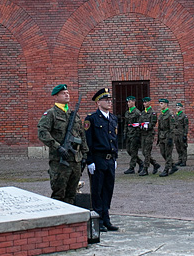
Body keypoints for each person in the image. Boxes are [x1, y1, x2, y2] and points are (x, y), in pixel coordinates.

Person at [37, 84, 86, 203]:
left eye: (68, 93)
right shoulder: (51, 114)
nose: (67, 95)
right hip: (59, 161)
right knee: (59, 195)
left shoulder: (74, 115)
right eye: (63, 93)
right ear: (56, 96)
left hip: (75, 161)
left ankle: (72, 221)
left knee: (72, 195)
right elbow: (42, 132)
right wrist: (58, 147)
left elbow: (81, 135)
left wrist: (84, 154)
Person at [84, 88, 119, 231]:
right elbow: (88, 141)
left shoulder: (113, 118)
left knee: (108, 189)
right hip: (97, 159)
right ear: (98, 102)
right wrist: (89, 160)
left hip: (109, 159)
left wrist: (115, 157)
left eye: (110, 100)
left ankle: (106, 218)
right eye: (106, 100)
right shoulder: (91, 119)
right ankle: (97, 220)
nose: (109, 102)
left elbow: (114, 140)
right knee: (97, 190)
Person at [139, 97, 160, 175]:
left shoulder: (152, 113)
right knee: (144, 152)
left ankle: (145, 169)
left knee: (147, 152)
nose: (145, 104)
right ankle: (155, 164)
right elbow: (140, 121)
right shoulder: (142, 113)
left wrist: (147, 126)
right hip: (143, 134)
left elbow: (153, 123)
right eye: (144, 102)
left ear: (149, 103)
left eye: (146, 102)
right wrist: (140, 125)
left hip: (149, 134)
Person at [157, 98, 178, 177]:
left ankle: (166, 170)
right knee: (163, 153)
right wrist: (159, 138)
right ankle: (173, 166)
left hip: (168, 136)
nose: (160, 105)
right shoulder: (162, 114)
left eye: (162, 103)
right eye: (160, 103)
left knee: (168, 154)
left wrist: (170, 138)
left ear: (166, 104)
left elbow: (172, 127)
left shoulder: (170, 114)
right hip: (162, 136)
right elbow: (159, 127)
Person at [123, 96, 143, 175]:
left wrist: (138, 135)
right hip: (129, 134)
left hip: (135, 134)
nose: (128, 103)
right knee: (129, 151)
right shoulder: (127, 112)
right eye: (127, 102)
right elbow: (126, 124)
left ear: (133, 102)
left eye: (129, 102)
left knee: (134, 151)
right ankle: (141, 163)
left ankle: (132, 167)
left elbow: (139, 124)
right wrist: (125, 133)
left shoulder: (137, 112)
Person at [173, 101, 189, 166]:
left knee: (183, 147)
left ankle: (184, 161)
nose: (177, 108)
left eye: (178, 107)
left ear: (182, 108)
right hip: (176, 134)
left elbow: (186, 125)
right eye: (176, 107)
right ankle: (180, 160)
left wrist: (185, 134)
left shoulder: (184, 116)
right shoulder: (175, 116)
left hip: (181, 134)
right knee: (178, 147)